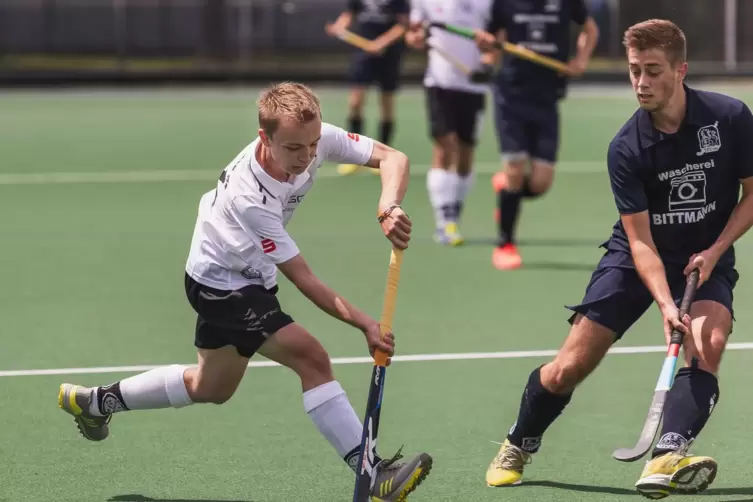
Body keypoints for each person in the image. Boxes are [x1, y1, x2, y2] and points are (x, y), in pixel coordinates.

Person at [58, 82, 433, 502]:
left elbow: (391, 157)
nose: (307, 158)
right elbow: (303, 278)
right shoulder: (250, 197)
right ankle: (372, 472)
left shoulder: (312, 137)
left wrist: (389, 206)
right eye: (294, 149)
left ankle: (95, 402)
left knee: (210, 387)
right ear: (264, 138)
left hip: (247, 273)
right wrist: (365, 323)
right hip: (223, 283)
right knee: (312, 359)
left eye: (312, 146)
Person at [484, 19, 753, 499]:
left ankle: (667, 453)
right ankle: (519, 441)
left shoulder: (730, 118)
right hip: (635, 258)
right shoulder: (626, 147)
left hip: (704, 255)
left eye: (653, 71)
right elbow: (641, 242)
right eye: (634, 71)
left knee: (707, 340)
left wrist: (714, 251)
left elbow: (752, 194)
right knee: (572, 365)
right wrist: (667, 305)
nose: (641, 83)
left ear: (681, 70)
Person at [475, 0, 599, 269]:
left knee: (540, 183)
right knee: (516, 169)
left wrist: (580, 60)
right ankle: (505, 243)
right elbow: (491, 40)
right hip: (511, 95)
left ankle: (507, 189)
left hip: (547, 97)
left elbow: (590, 29)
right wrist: (486, 49)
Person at [405, 0, 494, 246]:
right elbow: (413, 32)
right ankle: (444, 220)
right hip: (440, 83)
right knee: (445, 145)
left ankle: (455, 211)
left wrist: (489, 58)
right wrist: (415, 39)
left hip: (474, 85)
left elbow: (497, 36)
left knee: (466, 152)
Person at [326, 0, 410, 176]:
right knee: (355, 102)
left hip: (390, 53)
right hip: (363, 53)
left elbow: (404, 25)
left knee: (386, 104)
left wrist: (381, 43)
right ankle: (354, 156)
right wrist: (339, 27)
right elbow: (350, 14)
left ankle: (384, 157)